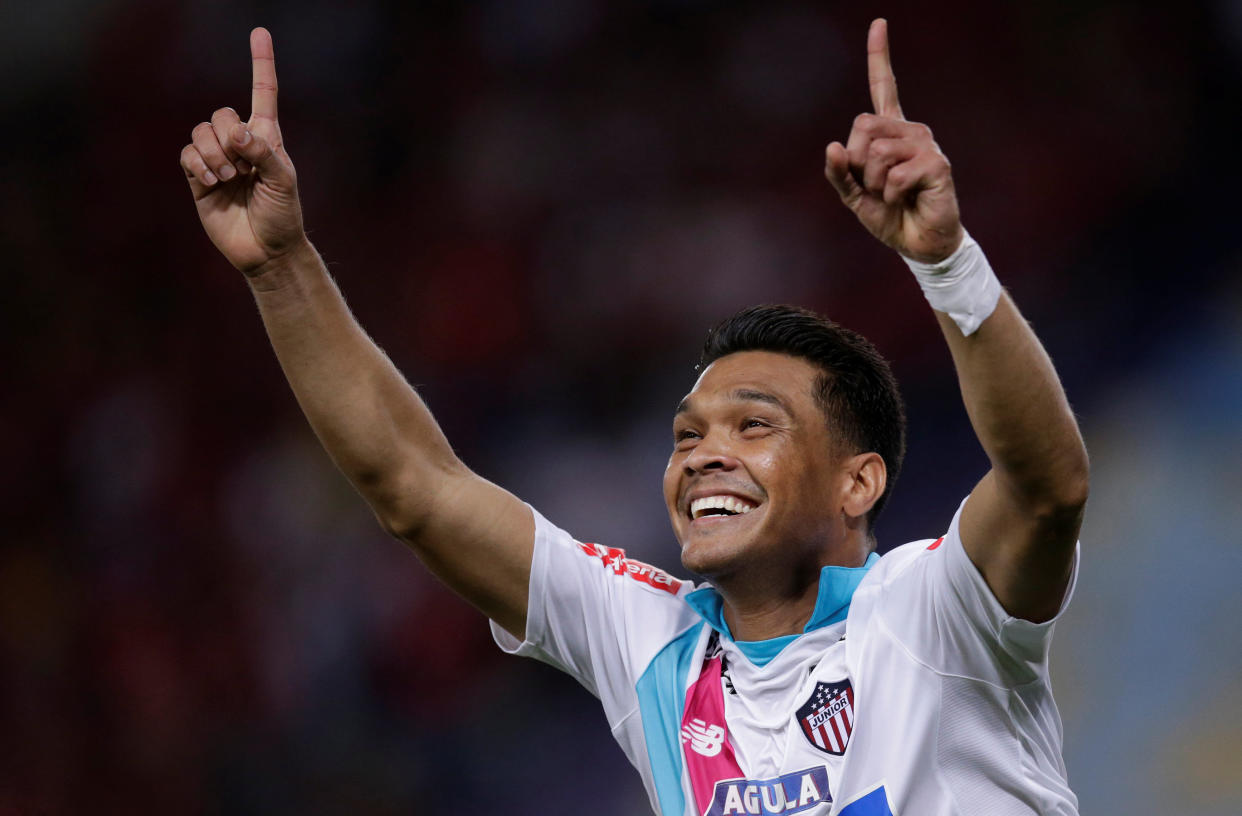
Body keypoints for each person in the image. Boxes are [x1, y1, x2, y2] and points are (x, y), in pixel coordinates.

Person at [180, 19, 1087, 816]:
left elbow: (1048, 488)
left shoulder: (935, 609)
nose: (703, 457)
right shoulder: (655, 642)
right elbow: (414, 487)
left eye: (754, 426)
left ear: (860, 480)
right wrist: (281, 267)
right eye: (688, 435)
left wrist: (947, 263)